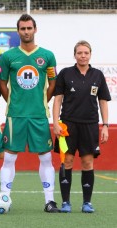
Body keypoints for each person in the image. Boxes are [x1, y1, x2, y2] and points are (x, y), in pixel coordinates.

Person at [0, 14, 60, 212]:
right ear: (18, 31)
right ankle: (5, 198)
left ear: (35, 29)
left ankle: (49, 201)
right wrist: (14, 102)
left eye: (29, 28)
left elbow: (53, 84)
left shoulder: (47, 56)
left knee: (46, 158)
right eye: (22, 28)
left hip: (39, 115)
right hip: (15, 115)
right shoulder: (8, 57)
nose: (26, 32)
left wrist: (41, 102)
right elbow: (1, 83)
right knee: (9, 158)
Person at [53, 40, 111, 213]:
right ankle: (66, 203)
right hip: (68, 125)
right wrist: (55, 122)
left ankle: (87, 202)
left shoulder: (97, 75)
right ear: (75, 55)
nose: (83, 56)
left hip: (90, 125)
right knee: (67, 161)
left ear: (90, 54)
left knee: (87, 162)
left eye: (86, 53)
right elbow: (57, 99)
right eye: (80, 53)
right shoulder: (65, 73)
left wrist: (105, 125)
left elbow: (103, 101)